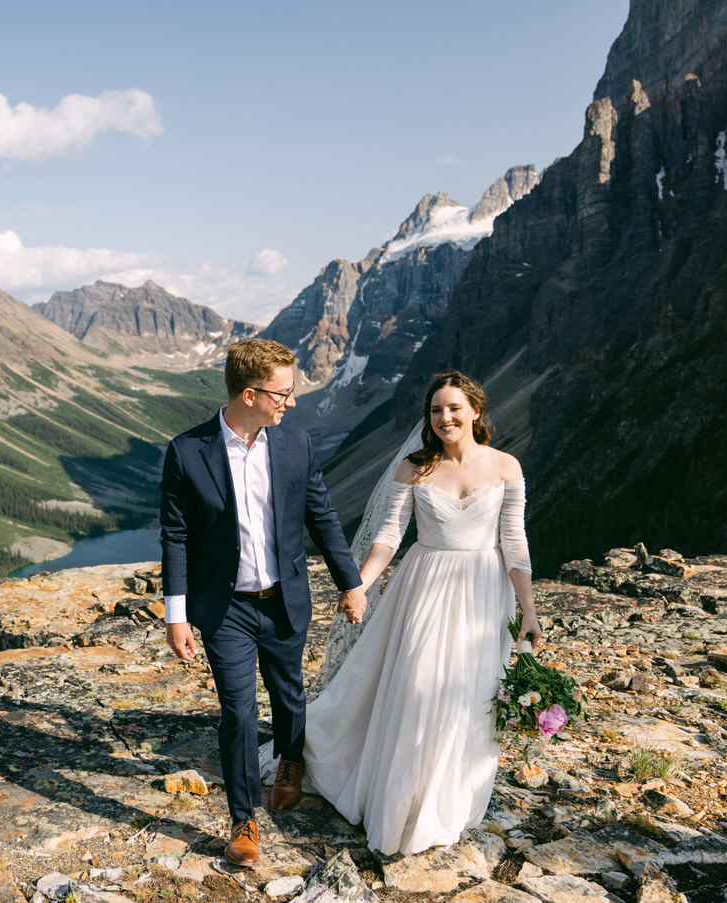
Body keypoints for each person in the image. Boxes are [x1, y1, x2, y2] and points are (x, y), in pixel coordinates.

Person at [296, 369, 542, 856]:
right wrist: (361, 585)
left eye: (454, 408)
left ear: (475, 411)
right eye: (436, 410)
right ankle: (400, 802)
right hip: (424, 584)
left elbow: (514, 543)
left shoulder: (506, 467)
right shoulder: (414, 467)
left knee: (470, 696)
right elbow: (389, 536)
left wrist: (529, 610)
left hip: (483, 590)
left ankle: (445, 803)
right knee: (419, 685)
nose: (445, 417)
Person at [160, 338, 367, 868]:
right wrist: (176, 614)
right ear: (249, 394)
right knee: (237, 712)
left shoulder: (294, 444)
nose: (291, 402)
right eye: (283, 392)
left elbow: (321, 516)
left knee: (288, 691)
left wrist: (351, 582)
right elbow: (176, 535)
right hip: (224, 608)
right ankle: (243, 818)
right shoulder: (188, 450)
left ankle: (290, 762)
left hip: (283, 600)